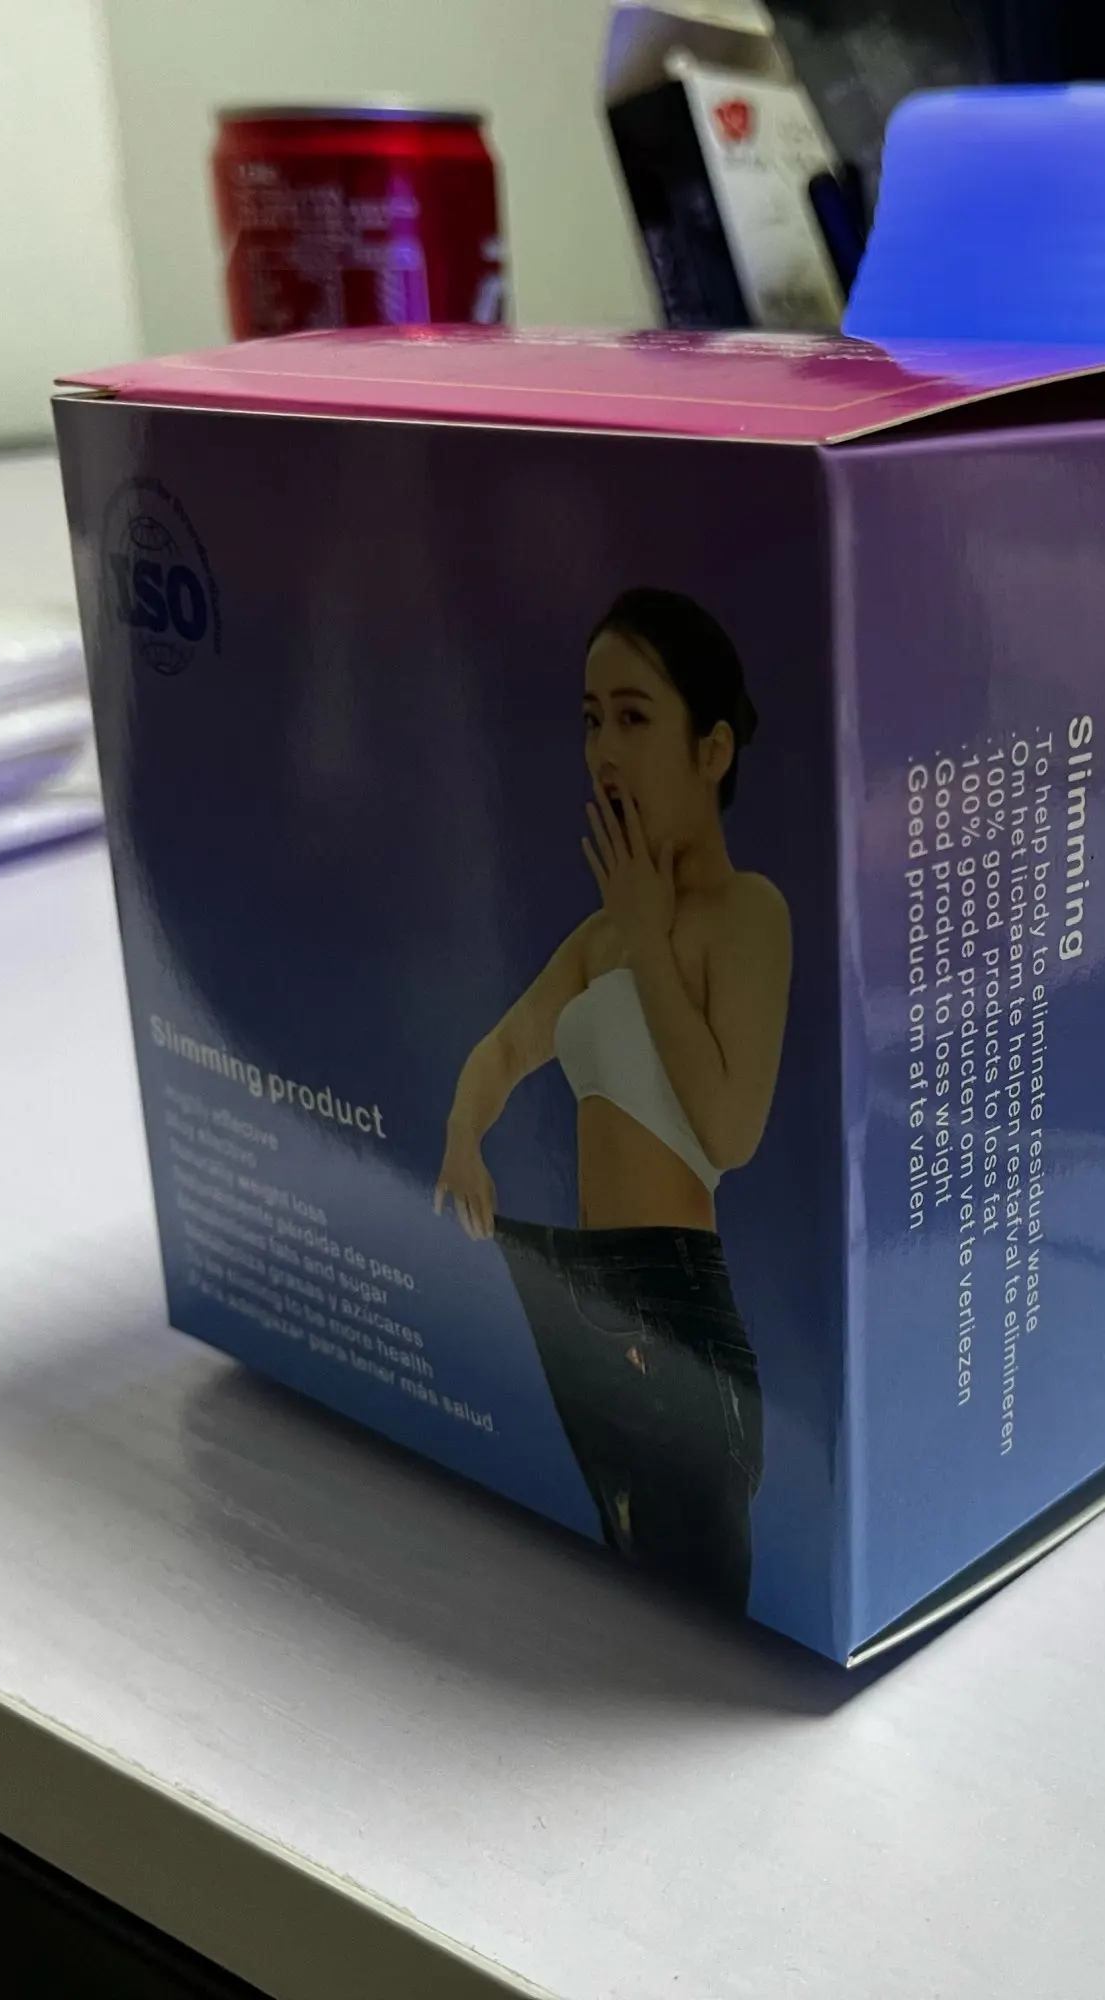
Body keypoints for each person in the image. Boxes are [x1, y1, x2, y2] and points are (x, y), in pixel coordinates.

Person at [434, 587, 792, 1609]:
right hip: (584, 1293)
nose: (604, 749)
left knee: (685, 1594)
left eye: (634, 717)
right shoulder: (594, 941)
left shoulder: (746, 914)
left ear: (712, 749)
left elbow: (730, 1129)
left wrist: (646, 932)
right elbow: (505, 1048)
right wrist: (463, 1137)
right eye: (592, 720)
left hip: (672, 1301)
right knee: (621, 1576)